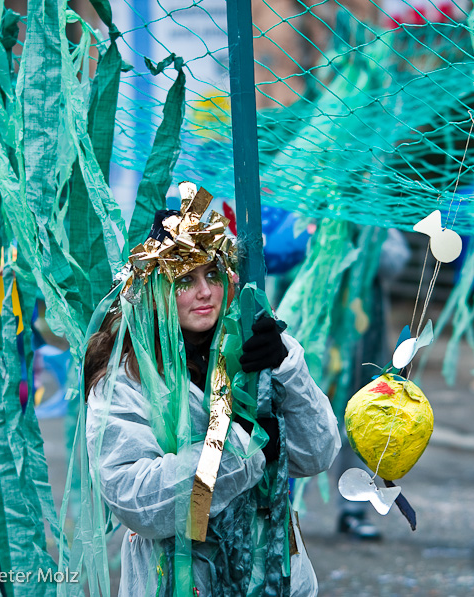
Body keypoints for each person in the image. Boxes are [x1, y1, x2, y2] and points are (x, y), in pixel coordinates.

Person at [83, 188, 341, 597]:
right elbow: (138, 501)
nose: (205, 292)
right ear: (155, 291)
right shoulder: (127, 378)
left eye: (213, 275)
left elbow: (317, 454)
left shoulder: (254, 350)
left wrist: (287, 368)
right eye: (185, 279)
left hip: (275, 578)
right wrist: (242, 447)